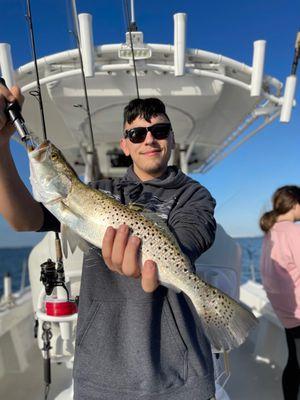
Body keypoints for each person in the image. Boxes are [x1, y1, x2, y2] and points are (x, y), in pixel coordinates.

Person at [0, 85, 217, 400]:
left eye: (159, 130)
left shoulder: (195, 196)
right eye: (137, 134)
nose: (149, 139)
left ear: (171, 138)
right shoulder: (95, 192)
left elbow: (187, 240)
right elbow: (23, 220)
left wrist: (149, 260)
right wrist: (2, 144)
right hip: (100, 375)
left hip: (179, 378)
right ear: (124, 146)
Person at [260, 185, 300, 400]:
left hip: (285, 312)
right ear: (294, 203)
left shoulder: (271, 232)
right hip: (298, 313)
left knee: (294, 361)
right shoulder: (294, 232)